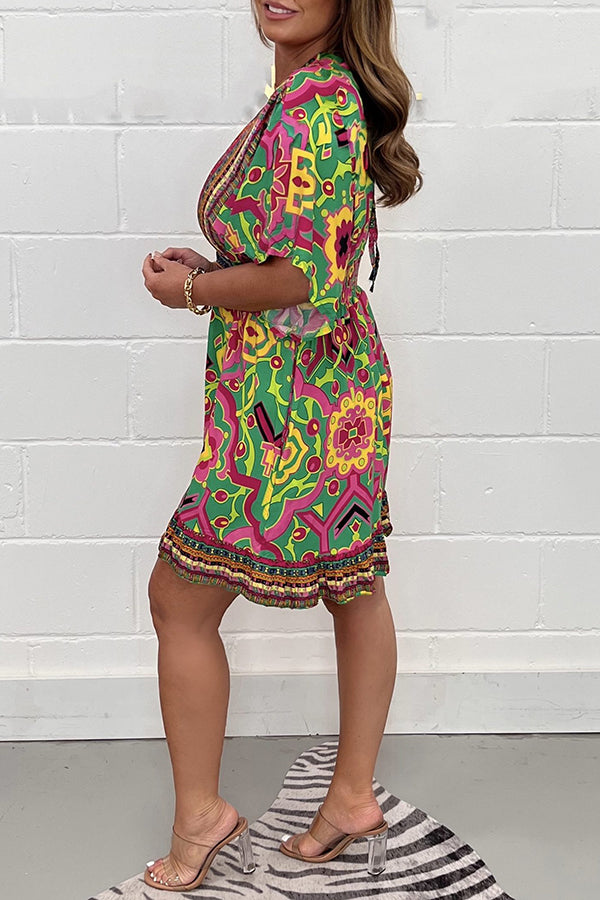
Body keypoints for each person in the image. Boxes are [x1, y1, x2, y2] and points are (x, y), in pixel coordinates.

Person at [140, 0, 422, 890]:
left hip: (296, 404)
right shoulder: (310, 94)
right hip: (311, 389)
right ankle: (350, 797)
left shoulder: (318, 106)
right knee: (354, 584)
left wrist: (194, 293)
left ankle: (201, 819)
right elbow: (294, 254)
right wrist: (217, 268)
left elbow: (308, 280)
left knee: (180, 599)